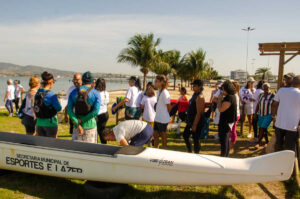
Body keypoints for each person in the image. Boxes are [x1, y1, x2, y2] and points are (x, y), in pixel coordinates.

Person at [67, 71, 101, 144]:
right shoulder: (96, 93)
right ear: (92, 81)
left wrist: (77, 122)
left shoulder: (73, 92)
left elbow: (69, 110)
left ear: (82, 80)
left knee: (75, 150)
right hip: (90, 126)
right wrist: (82, 120)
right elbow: (95, 111)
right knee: (90, 151)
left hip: (77, 126)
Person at [272, 75, 300, 152]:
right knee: (289, 148)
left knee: (278, 144)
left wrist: (274, 116)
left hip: (279, 124)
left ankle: (276, 158)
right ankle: (288, 163)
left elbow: (274, 105)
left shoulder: (281, 90)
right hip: (292, 126)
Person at [35, 72, 62, 138]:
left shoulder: (38, 93)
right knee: (51, 145)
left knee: (41, 144)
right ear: (50, 82)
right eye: (53, 82)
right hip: (50, 123)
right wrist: (59, 101)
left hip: (39, 122)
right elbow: (59, 108)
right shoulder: (51, 95)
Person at [183, 79, 205, 153]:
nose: (193, 87)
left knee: (196, 138)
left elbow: (199, 113)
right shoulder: (195, 94)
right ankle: (190, 151)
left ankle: (196, 153)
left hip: (196, 121)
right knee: (185, 135)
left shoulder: (200, 97)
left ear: (199, 87)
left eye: (194, 86)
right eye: (193, 85)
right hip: (191, 120)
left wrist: (195, 125)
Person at [217, 80, 237, 157]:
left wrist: (219, 100)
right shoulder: (232, 96)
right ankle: (226, 155)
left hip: (226, 122)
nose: (222, 91)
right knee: (226, 139)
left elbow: (221, 109)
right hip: (228, 121)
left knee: (224, 140)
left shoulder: (229, 98)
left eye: (223, 89)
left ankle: (224, 155)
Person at [253, 83, 275, 149]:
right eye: (264, 88)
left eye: (267, 88)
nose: (266, 90)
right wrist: (255, 114)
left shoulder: (273, 95)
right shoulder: (261, 95)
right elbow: (258, 104)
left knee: (262, 128)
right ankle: (267, 141)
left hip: (268, 115)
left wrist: (274, 115)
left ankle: (258, 143)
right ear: (262, 89)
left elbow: (274, 106)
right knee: (263, 128)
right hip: (261, 114)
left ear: (269, 88)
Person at [153, 74, 171, 149]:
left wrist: (167, 116)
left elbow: (168, 106)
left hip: (163, 119)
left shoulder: (165, 92)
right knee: (155, 136)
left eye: (156, 81)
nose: (155, 83)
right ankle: (156, 150)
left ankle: (164, 151)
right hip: (157, 117)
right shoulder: (159, 91)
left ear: (161, 82)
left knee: (163, 136)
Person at [95, 78, 109, 144]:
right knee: (102, 130)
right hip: (105, 113)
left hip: (99, 114)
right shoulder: (106, 93)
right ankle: (104, 143)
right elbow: (107, 103)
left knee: (97, 131)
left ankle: (100, 144)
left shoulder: (96, 93)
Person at [230, 81, 241, 150]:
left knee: (233, 129)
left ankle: (232, 143)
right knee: (232, 129)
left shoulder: (234, 95)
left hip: (234, 115)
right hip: (236, 114)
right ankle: (232, 142)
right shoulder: (236, 95)